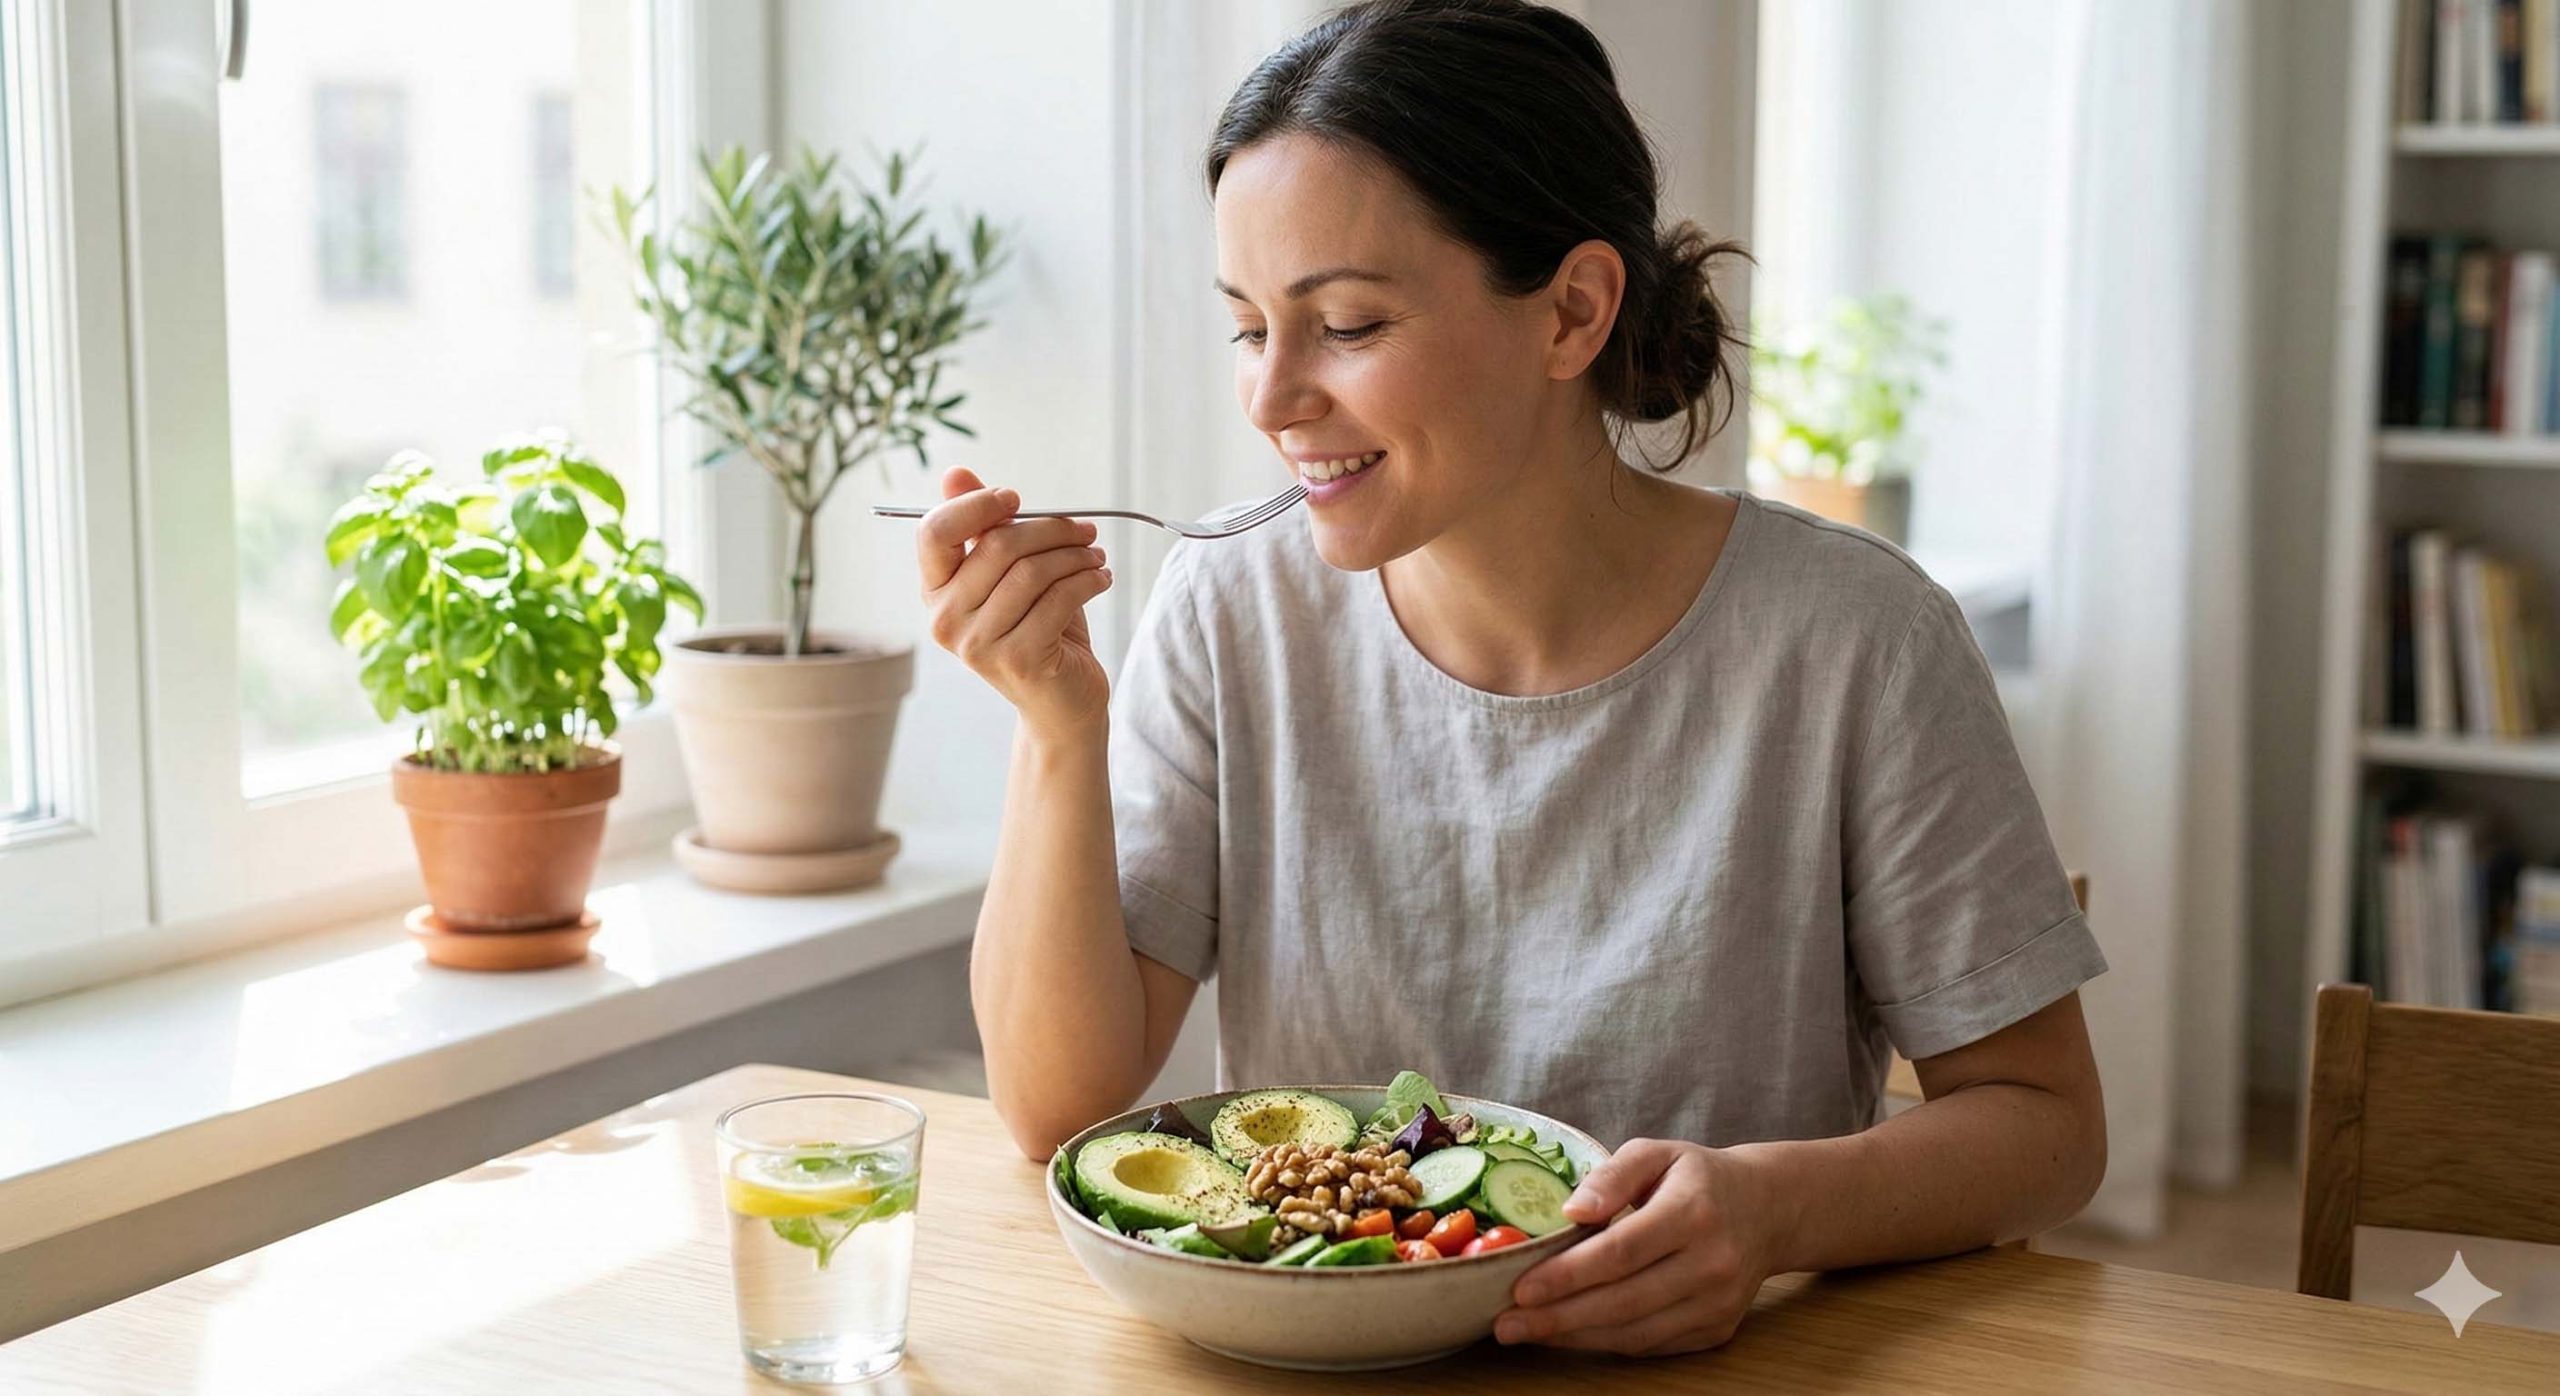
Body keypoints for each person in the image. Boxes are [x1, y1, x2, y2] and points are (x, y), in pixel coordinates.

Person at [914, 0, 2106, 1358]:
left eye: (1346, 323)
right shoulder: (1228, 611)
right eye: (1250, 327)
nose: (1270, 396)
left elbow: (2048, 1131)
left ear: (1574, 311)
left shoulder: (1856, 640)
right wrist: (1058, 728)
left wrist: (1775, 1210)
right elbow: (1058, 1111)